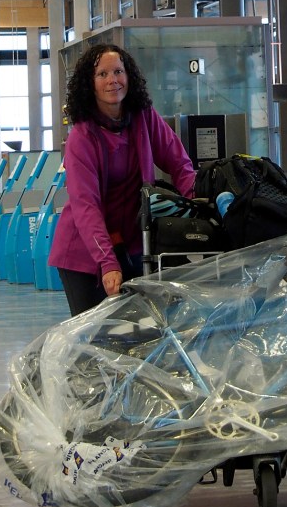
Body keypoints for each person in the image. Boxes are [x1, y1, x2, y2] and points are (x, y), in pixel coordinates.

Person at [49, 43, 195, 316]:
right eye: (102, 74)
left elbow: (180, 163)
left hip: (134, 245)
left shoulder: (144, 117)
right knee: (95, 340)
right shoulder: (81, 138)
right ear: (89, 84)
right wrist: (108, 262)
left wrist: (196, 206)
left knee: (141, 334)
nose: (112, 80)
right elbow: (85, 205)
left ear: (130, 77)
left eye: (118, 71)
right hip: (86, 253)